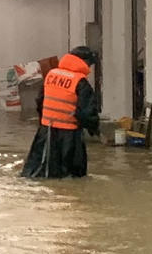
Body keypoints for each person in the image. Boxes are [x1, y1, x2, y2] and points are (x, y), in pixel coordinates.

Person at [21, 47, 101, 179]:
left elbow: (40, 101)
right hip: (69, 137)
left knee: (37, 171)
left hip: (46, 133)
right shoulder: (80, 81)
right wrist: (94, 130)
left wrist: (44, 121)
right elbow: (87, 112)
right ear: (84, 62)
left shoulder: (51, 75)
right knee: (72, 176)